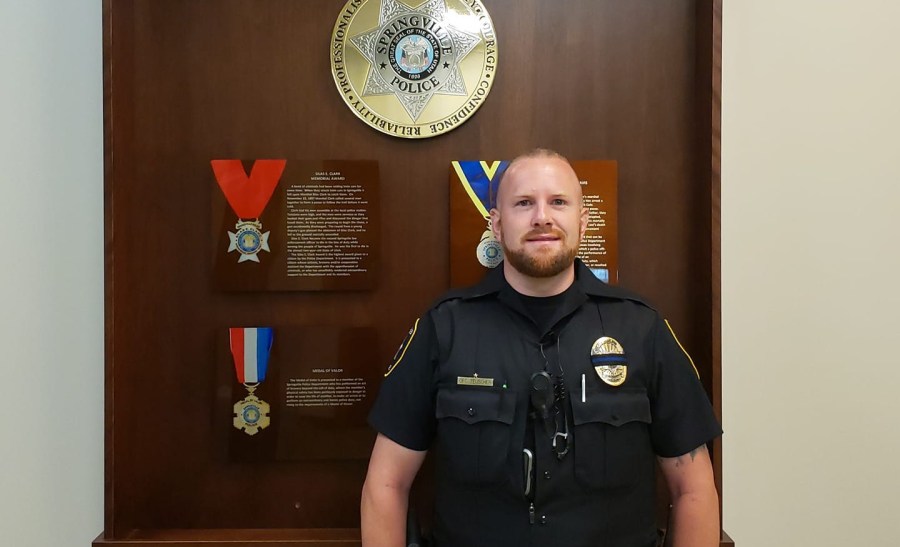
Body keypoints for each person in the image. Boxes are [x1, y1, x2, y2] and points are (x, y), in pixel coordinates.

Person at [361, 149, 722, 547]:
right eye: (523, 203)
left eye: (559, 202)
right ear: (496, 224)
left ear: (583, 221)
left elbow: (693, 489)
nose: (542, 217)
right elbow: (386, 483)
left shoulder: (641, 329)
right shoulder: (444, 328)